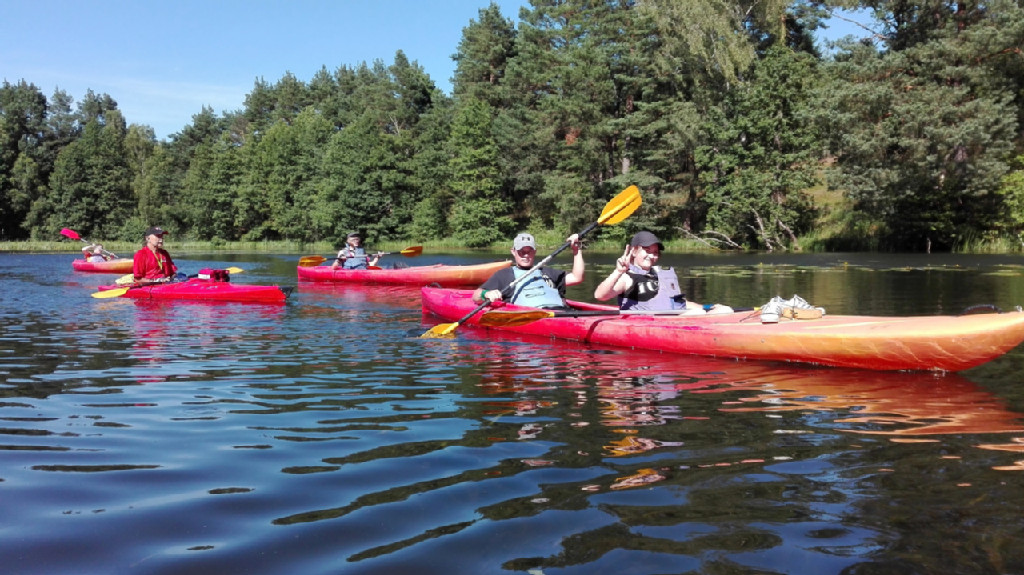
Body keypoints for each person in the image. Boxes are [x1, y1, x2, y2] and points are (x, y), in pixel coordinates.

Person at [594, 231, 729, 314]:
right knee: (697, 314)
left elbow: (679, 303)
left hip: (674, 319)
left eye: (655, 252)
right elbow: (600, 296)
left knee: (724, 310)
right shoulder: (627, 277)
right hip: (646, 324)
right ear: (634, 251)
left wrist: (707, 307)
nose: (651, 256)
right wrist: (617, 271)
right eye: (647, 251)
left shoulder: (659, 274)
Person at [472, 232, 584, 310]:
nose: (526, 255)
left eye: (529, 251)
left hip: (562, 312)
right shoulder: (504, 275)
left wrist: (576, 250)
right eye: (522, 251)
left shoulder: (546, 272)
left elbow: (577, 277)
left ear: (535, 252)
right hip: (535, 316)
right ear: (513, 251)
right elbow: (476, 295)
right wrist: (486, 294)